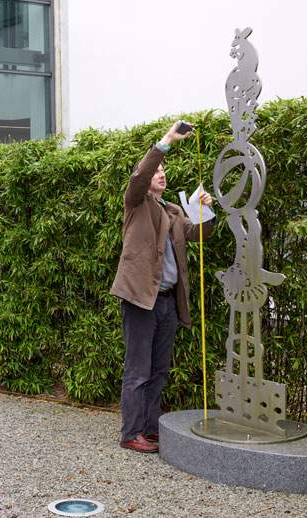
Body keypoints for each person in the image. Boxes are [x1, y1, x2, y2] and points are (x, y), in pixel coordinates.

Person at [110, 120, 215, 453]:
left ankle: (151, 428)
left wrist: (205, 210)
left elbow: (200, 234)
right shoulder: (136, 203)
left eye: (164, 171)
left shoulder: (171, 210)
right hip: (141, 299)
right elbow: (140, 175)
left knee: (158, 371)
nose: (161, 174)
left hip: (168, 302)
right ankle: (131, 433)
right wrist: (167, 140)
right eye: (158, 171)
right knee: (137, 370)